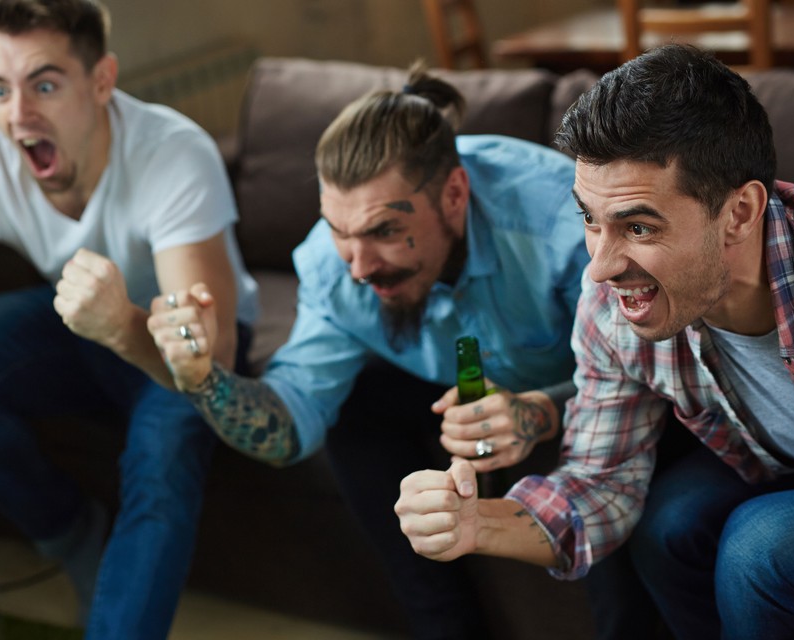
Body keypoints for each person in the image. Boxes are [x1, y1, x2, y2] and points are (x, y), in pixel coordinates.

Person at [394, 43, 794, 640]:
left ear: (739, 213)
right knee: (669, 525)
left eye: (637, 226)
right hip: (793, 466)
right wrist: (476, 523)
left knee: (762, 546)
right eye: (589, 220)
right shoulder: (613, 306)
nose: (601, 267)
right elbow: (597, 484)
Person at [147, 62, 590, 639]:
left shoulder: (560, 224)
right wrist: (203, 378)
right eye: (338, 230)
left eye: (383, 231)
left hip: (586, 392)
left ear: (454, 194)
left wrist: (536, 411)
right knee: (354, 411)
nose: (357, 266)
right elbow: (287, 430)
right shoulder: (335, 271)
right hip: (446, 378)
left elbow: (647, 373)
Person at [0, 1, 258, 638]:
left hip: (189, 347)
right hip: (79, 328)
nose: (17, 115)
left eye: (44, 84)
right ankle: (72, 535)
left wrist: (118, 328)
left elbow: (206, 362)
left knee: (160, 463)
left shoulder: (173, 153)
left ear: (102, 81)